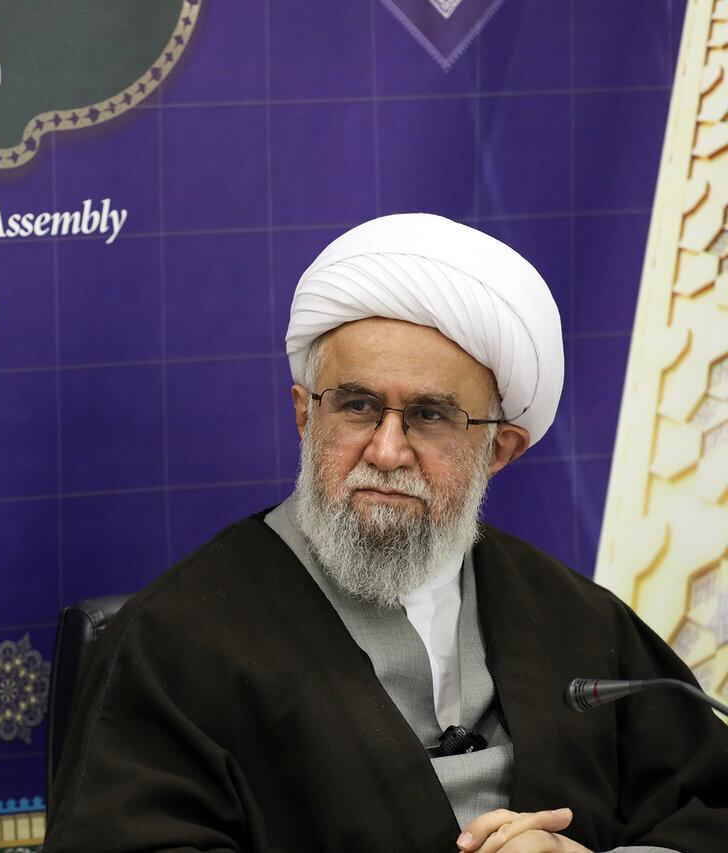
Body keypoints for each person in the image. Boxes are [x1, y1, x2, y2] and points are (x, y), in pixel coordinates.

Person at [43, 214, 728, 852]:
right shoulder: (175, 641)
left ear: (499, 449)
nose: (387, 449)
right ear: (305, 416)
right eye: (357, 405)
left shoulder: (577, 621)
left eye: (430, 416)